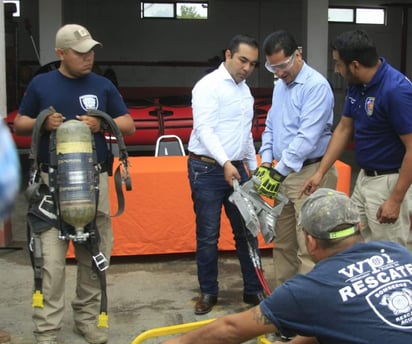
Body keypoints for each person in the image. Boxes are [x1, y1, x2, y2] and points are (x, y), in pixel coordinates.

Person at [161, 188, 412, 344]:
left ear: (311, 241)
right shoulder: (397, 252)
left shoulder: (311, 288)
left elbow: (230, 329)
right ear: (358, 227)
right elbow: (340, 318)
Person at [13, 24, 135, 344]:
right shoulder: (41, 84)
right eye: (81, 53)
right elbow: (20, 123)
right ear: (61, 54)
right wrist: (42, 121)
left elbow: (129, 125)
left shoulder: (103, 85)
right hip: (50, 188)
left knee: (94, 258)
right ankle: (47, 330)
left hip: (94, 183)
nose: (88, 57)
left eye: (91, 51)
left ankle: (87, 320)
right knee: (51, 263)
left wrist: (101, 122)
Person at [302, 29, 412, 246]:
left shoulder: (395, 90)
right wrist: (320, 172)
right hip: (364, 179)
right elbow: (344, 128)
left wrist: (395, 199)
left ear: (354, 65)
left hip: (389, 181)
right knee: (352, 242)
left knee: (388, 252)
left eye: (338, 64)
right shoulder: (357, 85)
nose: (336, 69)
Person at [187, 34, 264, 315]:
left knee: (247, 232)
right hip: (207, 169)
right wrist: (224, 163)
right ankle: (208, 292)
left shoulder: (245, 92)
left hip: (238, 170)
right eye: (243, 60)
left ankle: (253, 289)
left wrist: (252, 169)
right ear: (228, 55)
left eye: (253, 64)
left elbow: (244, 135)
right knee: (208, 235)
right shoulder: (208, 86)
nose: (247, 68)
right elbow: (204, 130)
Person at [256, 30, 337, 289]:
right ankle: (285, 304)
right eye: (273, 67)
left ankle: (311, 311)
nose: (278, 73)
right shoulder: (280, 86)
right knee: (283, 244)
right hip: (282, 172)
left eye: (283, 65)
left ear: (298, 55)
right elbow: (270, 126)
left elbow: (306, 138)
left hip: (309, 173)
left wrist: (277, 172)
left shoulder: (316, 87)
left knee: (310, 247)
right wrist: (267, 161)